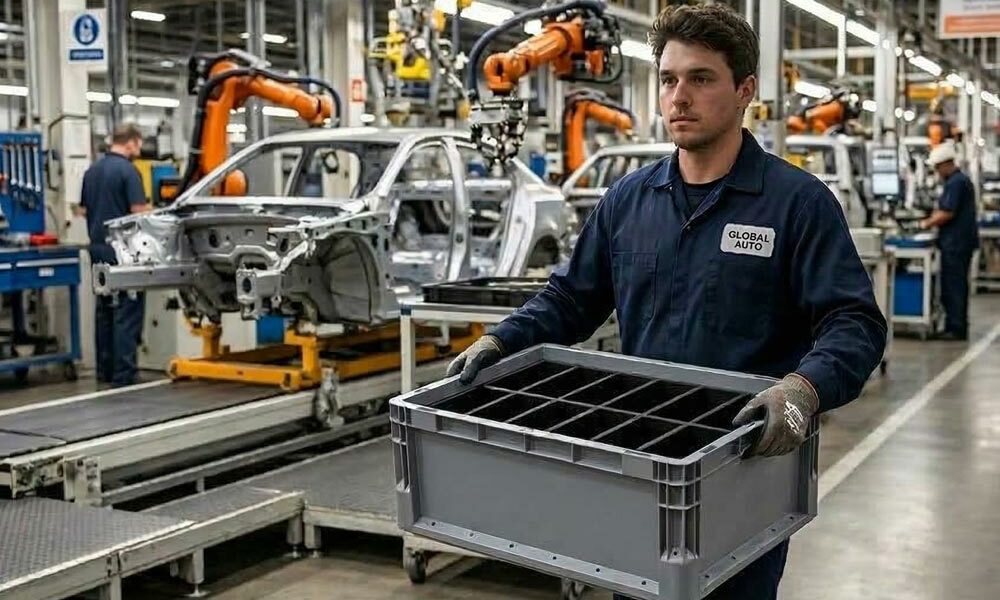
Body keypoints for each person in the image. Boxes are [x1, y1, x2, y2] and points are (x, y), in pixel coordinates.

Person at [446, 4, 887, 599]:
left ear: (745, 90)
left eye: (701, 79)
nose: (680, 97)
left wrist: (803, 392)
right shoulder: (629, 201)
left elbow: (854, 322)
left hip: (744, 463)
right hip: (642, 460)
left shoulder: (797, 204)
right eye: (669, 79)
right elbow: (571, 298)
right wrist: (502, 340)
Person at [77, 123, 150, 386]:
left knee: (105, 310)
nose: (139, 149)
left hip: (98, 248)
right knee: (127, 311)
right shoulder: (128, 171)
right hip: (123, 252)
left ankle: (104, 371)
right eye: (139, 144)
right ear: (130, 142)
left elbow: (83, 210)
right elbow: (138, 212)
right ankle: (124, 375)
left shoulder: (91, 171)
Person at [920, 144, 979, 341]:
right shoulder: (958, 180)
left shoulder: (956, 182)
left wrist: (924, 224)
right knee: (954, 285)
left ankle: (956, 328)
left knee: (954, 286)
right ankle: (954, 325)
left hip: (957, 244)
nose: (937, 172)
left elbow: (947, 212)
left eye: (938, 167)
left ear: (947, 164)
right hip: (957, 243)